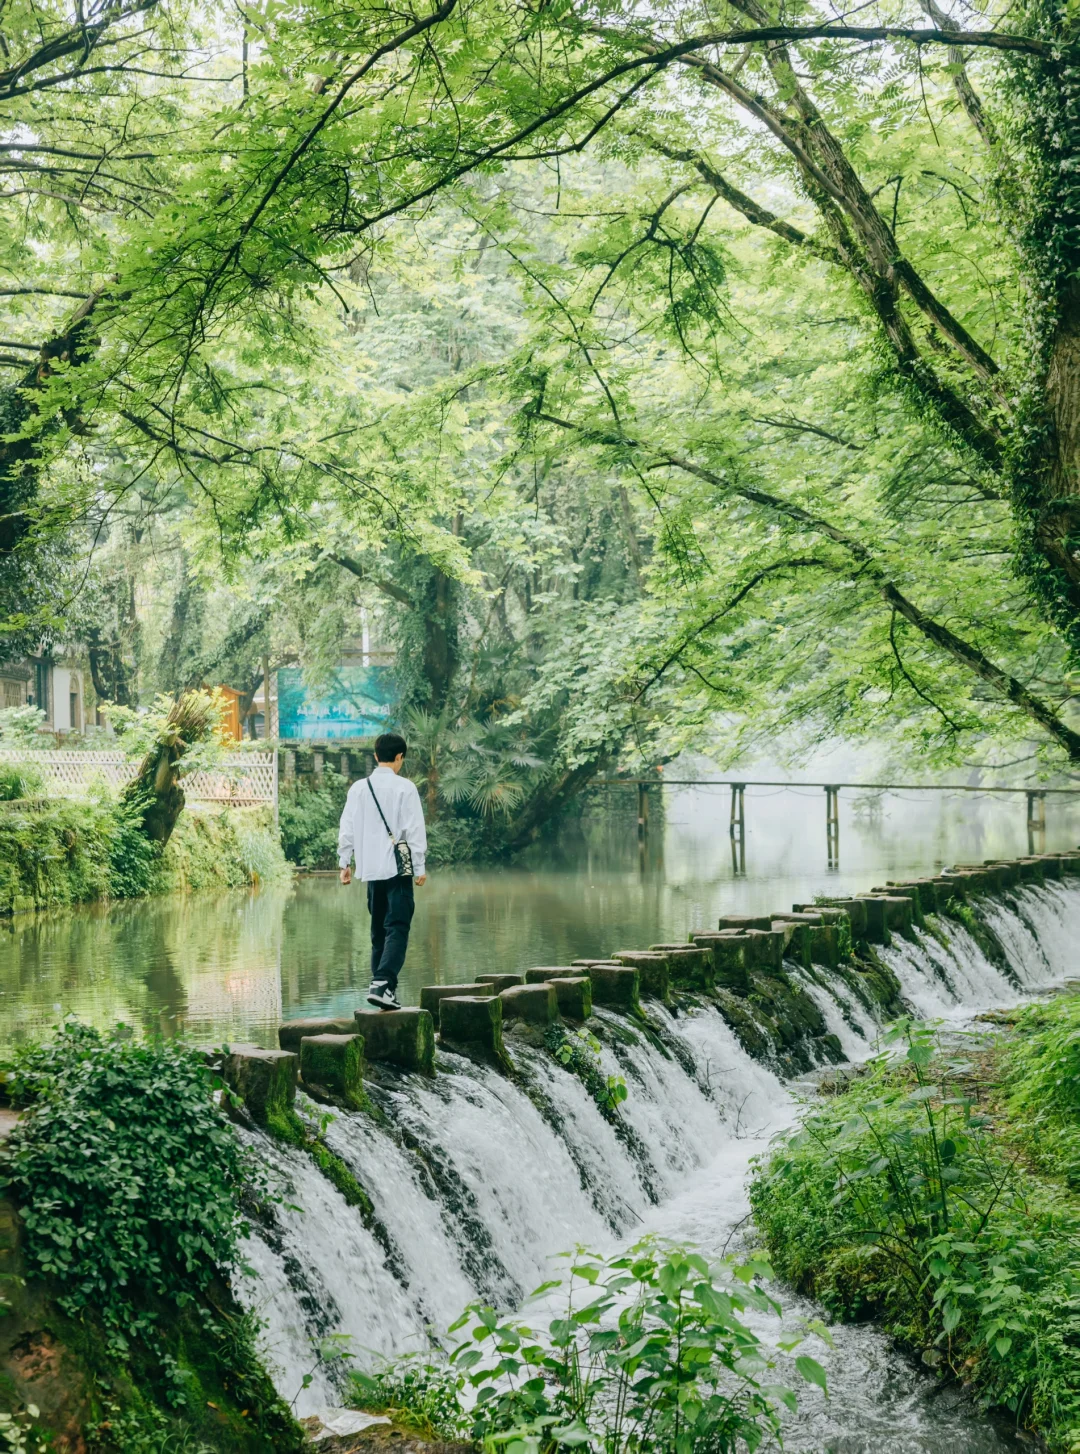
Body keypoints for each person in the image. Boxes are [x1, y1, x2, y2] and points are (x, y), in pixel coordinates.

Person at [338, 732, 427, 1010]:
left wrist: (345, 862)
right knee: (397, 928)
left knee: (379, 931)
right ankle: (382, 981)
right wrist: (420, 866)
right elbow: (414, 830)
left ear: (376, 756)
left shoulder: (358, 788)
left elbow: (347, 828)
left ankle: (384, 992)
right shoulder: (406, 788)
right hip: (398, 870)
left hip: (371, 870)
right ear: (399, 757)